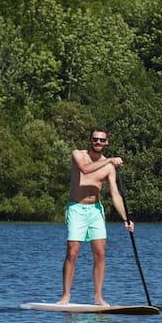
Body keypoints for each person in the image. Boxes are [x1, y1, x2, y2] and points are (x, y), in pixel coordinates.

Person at [58, 126, 133, 305]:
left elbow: (115, 194)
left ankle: (98, 297)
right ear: (90, 140)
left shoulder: (109, 167)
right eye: (95, 139)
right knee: (72, 252)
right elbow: (85, 169)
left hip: (95, 210)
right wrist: (110, 160)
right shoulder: (78, 155)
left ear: (107, 142)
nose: (98, 142)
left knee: (100, 253)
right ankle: (65, 296)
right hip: (76, 208)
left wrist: (126, 219)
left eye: (102, 140)